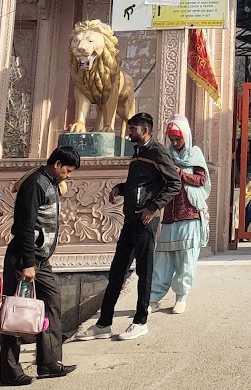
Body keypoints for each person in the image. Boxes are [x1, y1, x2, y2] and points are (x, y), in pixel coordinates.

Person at [80, 112, 182, 342]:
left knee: (145, 273)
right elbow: (141, 184)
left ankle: (140, 321)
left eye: (133, 129)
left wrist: (152, 207)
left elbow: (174, 183)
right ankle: (104, 323)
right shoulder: (137, 154)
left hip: (146, 221)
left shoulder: (157, 152)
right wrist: (120, 188)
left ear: (145, 130)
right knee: (117, 272)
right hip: (130, 221)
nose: (128, 133)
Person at [0, 144, 81, 386]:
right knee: (15, 313)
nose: (69, 176)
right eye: (67, 170)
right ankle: (10, 372)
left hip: (40, 260)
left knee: (52, 303)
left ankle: (48, 362)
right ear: (56, 165)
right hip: (25, 259)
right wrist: (28, 263)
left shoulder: (51, 183)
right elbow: (25, 226)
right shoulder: (35, 184)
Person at [151, 116, 210, 314]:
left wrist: (181, 174)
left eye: (178, 139)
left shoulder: (195, 154)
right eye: (173, 140)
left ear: (186, 136)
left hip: (189, 212)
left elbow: (202, 180)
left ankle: (181, 296)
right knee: (163, 259)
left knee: (186, 260)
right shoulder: (167, 155)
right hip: (170, 214)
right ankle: (154, 297)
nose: (175, 144)